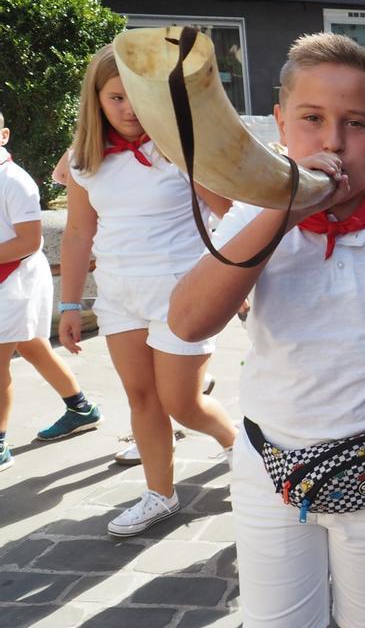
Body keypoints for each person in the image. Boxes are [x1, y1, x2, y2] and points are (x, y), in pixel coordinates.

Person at [168, 32, 365, 628]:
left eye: (355, 124)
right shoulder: (254, 216)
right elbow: (189, 321)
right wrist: (285, 212)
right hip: (269, 463)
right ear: (280, 122)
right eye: (311, 119)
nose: (331, 141)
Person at [59, 45, 237, 536]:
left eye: (138, 96)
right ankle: (160, 493)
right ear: (96, 100)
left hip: (184, 296)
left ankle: (238, 447)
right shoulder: (82, 160)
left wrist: (235, 282)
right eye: (116, 98)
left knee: (182, 402)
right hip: (119, 297)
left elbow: (232, 214)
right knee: (142, 399)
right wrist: (70, 304)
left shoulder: (181, 148)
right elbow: (77, 234)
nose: (129, 109)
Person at [0, 119, 101, 471]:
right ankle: (81, 408)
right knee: (32, 347)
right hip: (6, 281)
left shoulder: (15, 181)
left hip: (17, 281)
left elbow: (29, 241)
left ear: (4, 135)